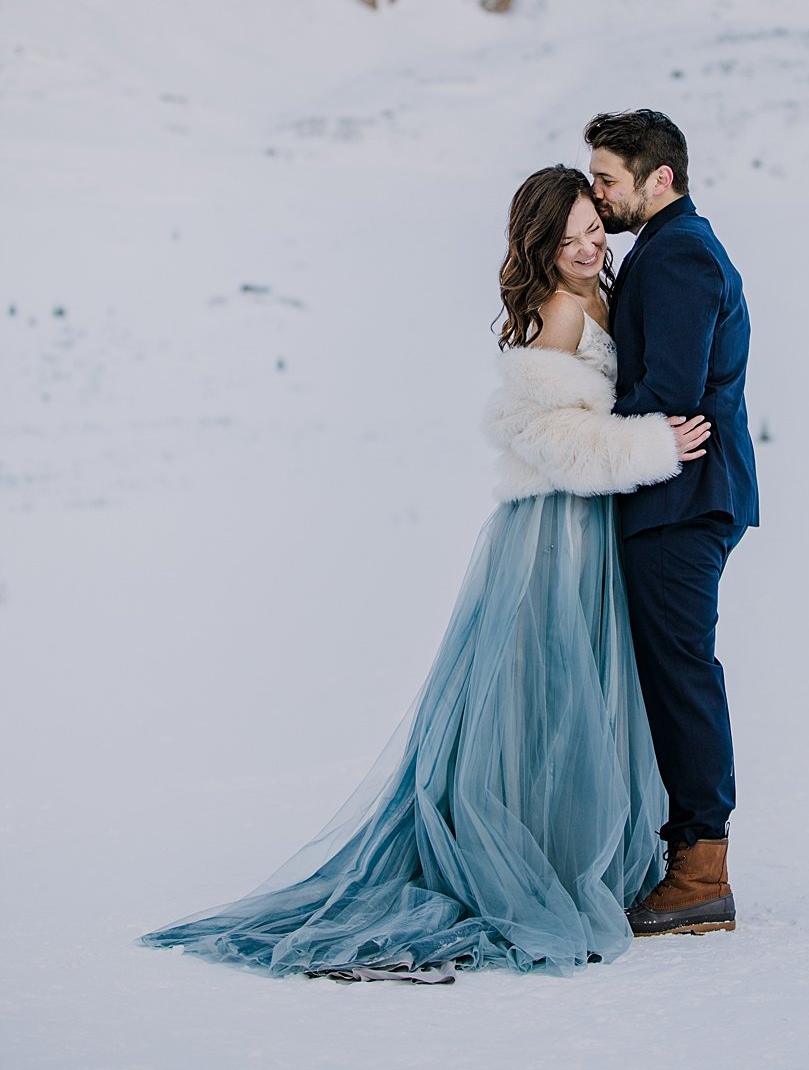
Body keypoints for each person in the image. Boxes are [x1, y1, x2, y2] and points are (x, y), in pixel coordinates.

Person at [140, 166, 711, 981]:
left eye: (593, 228)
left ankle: (563, 847)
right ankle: (527, 863)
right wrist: (651, 448)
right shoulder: (555, 310)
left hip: (587, 523)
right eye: (568, 237)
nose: (587, 246)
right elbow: (540, 434)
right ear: (538, 247)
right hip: (553, 525)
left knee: (573, 691)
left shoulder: (595, 294)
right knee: (540, 694)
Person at [584, 110, 759, 937]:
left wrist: (581, 424)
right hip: (675, 496)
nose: (597, 193)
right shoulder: (665, 247)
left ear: (660, 178)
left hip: (682, 499)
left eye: (607, 179)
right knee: (669, 670)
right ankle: (687, 858)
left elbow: (673, 387)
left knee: (680, 672)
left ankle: (700, 873)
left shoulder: (680, 250)